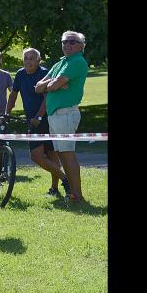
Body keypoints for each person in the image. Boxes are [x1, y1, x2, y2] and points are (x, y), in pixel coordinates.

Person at [6, 48, 70, 197]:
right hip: (33, 120)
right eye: (26, 58)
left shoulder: (44, 73)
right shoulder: (21, 74)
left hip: (48, 118)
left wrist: (39, 117)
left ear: (38, 60)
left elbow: (47, 98)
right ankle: (65, 179)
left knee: (50, 154)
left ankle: (55, 188)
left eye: (31, 58)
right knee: (36, 155)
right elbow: (13, 96)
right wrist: (7, 113)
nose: (28, 61)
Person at [35, 31, 88, 203]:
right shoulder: (61, 62)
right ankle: (72, 192)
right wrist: (54, 84)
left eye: (72, 42)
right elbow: (38, 87)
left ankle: (77, 195)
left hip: (65, 113)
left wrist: (54, 84)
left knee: (67, 153)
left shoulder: (77, 61)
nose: (67, 45)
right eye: (64, 42)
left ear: (81, 45)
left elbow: (52, 85)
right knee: (62, 154)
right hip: (55, 114)